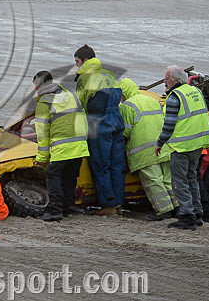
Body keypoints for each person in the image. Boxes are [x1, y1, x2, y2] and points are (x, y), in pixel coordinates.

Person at [155, 66, 209, 230]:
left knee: (179, 182)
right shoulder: (195, 92)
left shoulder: (174, 97)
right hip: (196, 146)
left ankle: (187, 216)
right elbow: (205, 117)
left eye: (166, 78)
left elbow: (168, 125)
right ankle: (197, 214)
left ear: (175, 80)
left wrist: (160, 143)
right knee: (192, 179)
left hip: (181, 147)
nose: (164, 81)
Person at [73, 45, 125, 214]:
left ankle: (108, 205)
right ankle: (118, 203)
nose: (76, 66)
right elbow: (120, 97)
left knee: (101, 164)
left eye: (77, 61)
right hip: (117, 120)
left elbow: (79, 105)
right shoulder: (110, 75)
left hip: (99, 121)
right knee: (117, 164)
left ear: (85, 60)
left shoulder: (84, 77)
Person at [32, 71, 89, 222]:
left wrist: (42, 158)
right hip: (80, 145)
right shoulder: (72, 96)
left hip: (62, 148)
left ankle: (55, 210)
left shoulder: (44, 102)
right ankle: (68, 207)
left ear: (38, 86)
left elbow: (42, 134)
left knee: (53, 176)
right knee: (69, 177)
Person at [118, 78, 177, 221]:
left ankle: (164, 210)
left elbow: (125, 132)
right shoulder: (151, 100)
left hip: (143, 150)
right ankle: (178, 207)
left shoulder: (127, 106)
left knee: (153, 181)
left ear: (124, 93)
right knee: (168, 179)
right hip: (162, 146)